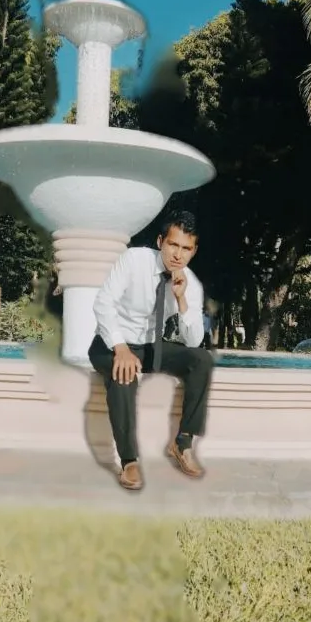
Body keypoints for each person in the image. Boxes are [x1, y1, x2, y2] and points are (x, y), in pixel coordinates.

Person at [88, 210, 213, 492]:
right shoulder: (134, 260)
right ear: (161, 241)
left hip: (150, 348)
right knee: (124, 371)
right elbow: (103, 303)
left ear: (194, 251)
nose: (178, 255)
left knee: (201, 360)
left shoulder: (190, 284)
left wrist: (181, 301)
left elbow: (193, 341)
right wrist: (119, 347)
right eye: (173, 245)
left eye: (186, 248)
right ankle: (129, 460)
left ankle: (183, 443)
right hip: (111, 342)